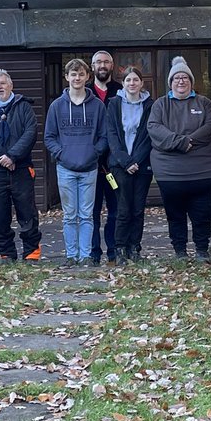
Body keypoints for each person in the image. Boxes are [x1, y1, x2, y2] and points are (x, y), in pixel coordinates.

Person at [147, 56, 211, 261]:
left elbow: (210, 126)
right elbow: (154, 128)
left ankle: (202, 249)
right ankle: (179, 251)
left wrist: (189, 140)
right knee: (175, 215)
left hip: (202, 172)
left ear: (191, 81)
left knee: (202, 214)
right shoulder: (161, 105)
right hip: (170, 175)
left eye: (185, 78)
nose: (181, 81)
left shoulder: (203, 103)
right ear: (170, 82)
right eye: (177, 78)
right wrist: (180, 142)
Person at [0, 69, 41, 263]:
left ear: (11, 85)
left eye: (3, 83)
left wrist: (12, 156)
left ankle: (31, 252)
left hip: (21, 168)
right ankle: (6, 254)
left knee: (27, 213)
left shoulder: (24, 107)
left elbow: (30, 133)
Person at [45, 58, 108, 267]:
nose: (77, 78)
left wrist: (94, 153)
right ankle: (71, 256)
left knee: (87, 215)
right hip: (65, 168)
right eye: (73, 74)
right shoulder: (56, 106)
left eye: (81, 74)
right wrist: (61, 154)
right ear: (67, 77)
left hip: (90, 167)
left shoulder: (97, 106)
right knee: (70, 216)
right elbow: (49, 137)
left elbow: (104, 136)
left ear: (87, 77)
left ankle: (86, 256)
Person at [105, 66, 154, 265]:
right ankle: (120, 248)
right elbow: (112, 136)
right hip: (119, 165)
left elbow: (149, 136)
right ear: (123, 83)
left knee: (138, 209)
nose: (132, 83)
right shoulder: (113, 104)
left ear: (141, 83)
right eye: (128, 80)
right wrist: (126, 162)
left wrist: (136, 161)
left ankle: (135, 247)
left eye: (135, 80)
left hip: (142, 165)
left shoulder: (150, 105)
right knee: (123, 208)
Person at [88, 50, 123, 264]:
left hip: (114, 165)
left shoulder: (120, 91)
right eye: (98, 62)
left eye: (106, 62)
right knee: (91, 213)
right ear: (92, 67)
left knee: (115, 211)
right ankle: (93, 252)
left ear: (112, 66)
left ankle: (113, 250)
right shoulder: (84, 92)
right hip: (90, 165)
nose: (102, 65)